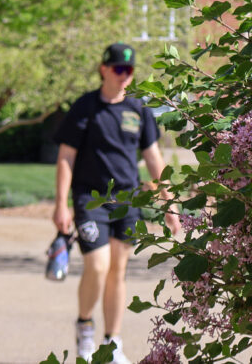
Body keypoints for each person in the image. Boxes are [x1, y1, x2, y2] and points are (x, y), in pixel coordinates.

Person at [53, 43, 178, 364]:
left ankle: (112, 344)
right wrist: (61, 204)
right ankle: (84, 327)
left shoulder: (139, 109)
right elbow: (66, 157)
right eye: (119, 69)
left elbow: (153, 158)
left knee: (117, 271)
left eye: (130, 70)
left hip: (128, 199)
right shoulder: (85, 107)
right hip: (90, 198)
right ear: (104, 69)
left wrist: (170, 203)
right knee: (97, 265)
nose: (124, 76)